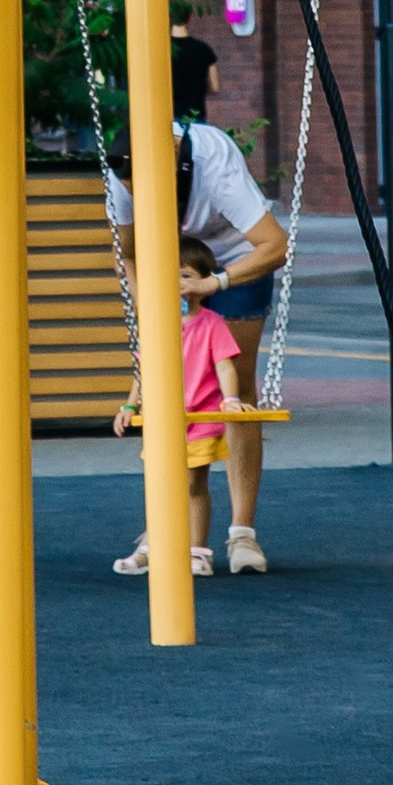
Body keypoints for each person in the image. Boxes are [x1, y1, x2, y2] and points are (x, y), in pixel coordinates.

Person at [103, 31, 288, 574]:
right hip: (174, 271)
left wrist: (217, 284)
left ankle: (242, 532)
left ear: (176, 162)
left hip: (235, 262)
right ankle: (166, 526)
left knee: (236, 389)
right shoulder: (124, 173)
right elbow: (131, 254)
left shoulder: (212, 158)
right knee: (171, 388)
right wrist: (149, 311)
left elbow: (273, 245)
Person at [112, 232, 248, 577]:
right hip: (162, 417)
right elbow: (144, 370)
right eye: (169, 275)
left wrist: (230, 400)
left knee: (192, 484)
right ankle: (153, 546)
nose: (177, 284)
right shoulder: (159, 324)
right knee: (160, 483)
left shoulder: (211, 324)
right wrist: (129, 407)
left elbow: (224, 365)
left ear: (203, 282)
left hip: (200, 416)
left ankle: (197, 550)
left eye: (185, 275)